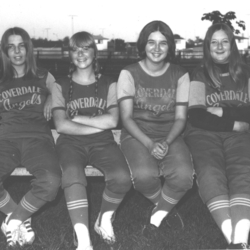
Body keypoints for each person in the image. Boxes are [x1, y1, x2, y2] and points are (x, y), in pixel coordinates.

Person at [52, 31, 132, 250]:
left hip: (103, 142)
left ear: (94, 53)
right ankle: (84, 240)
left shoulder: (109, 83)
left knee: (122, 177)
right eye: (75, 49)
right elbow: (61, 125)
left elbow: (113, 120)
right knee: (72, 173)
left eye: (85, 48)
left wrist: (79, 119)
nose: (80, 53)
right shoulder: (59, 85)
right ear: (69, 55)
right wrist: (96, 123)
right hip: (70, 143)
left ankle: (104, 219)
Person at [117, 20, 194, 233]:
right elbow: (126, 118)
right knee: (143, 176)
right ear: (143, 45)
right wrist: (150, 144)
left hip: (171, 133)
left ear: (170, 46)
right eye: (151, 42)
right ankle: (166, 207)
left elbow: (180, 118)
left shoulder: (180, 74)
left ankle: (158, 216)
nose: (157, 48)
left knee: (184, 176)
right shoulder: (128, 72)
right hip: (137, 133)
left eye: (163, 43)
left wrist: (167, 142)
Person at [184, 23, 250, 250]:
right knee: (210, 172)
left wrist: (223, 111)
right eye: (214, 42)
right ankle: (238, 242)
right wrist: (235, 122)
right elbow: (196, 116)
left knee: (243, 170)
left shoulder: (246, 72)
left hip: (239, 134)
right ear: (207, 47)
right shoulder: (200, 73)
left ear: (232, 45)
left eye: (225, 41)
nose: (220, 46)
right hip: (205, 134)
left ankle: (238, 241)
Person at [0, 27, 61, 247]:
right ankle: (19, 218)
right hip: (5, 140)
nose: (17, 51)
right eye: (10, 47)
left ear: (28, 49)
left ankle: (13, 221)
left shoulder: (44, 75)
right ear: (4, 51)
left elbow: (62, 90)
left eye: (21, 46)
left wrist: (50, 98)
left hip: (38, 140)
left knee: (51, 181)